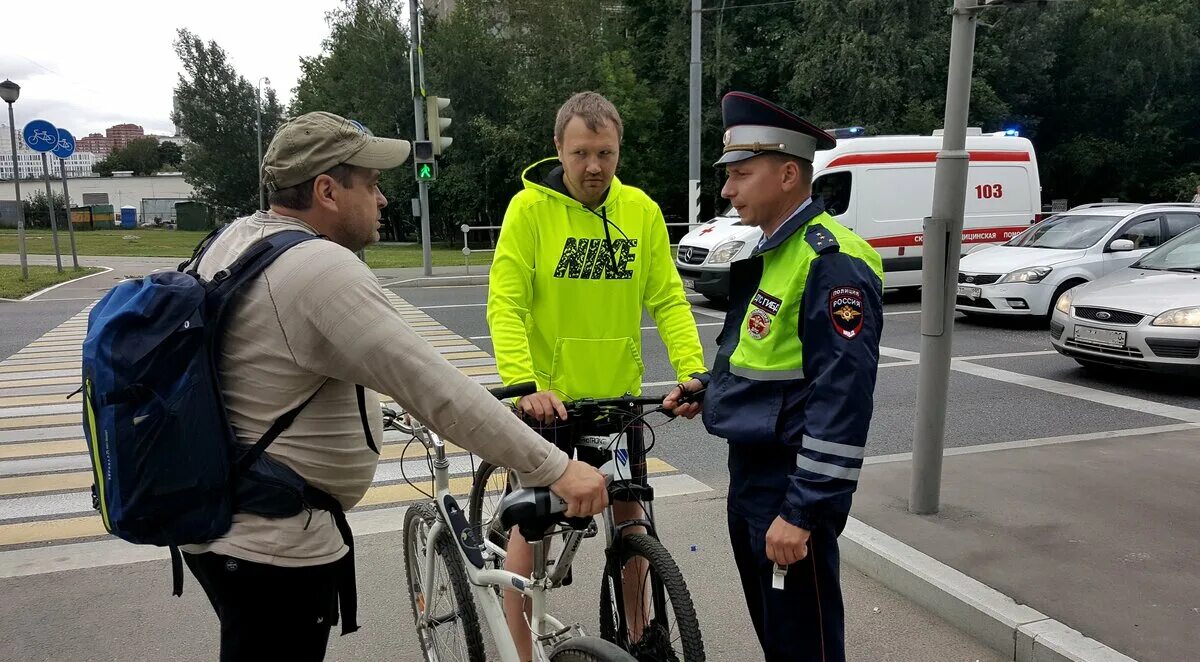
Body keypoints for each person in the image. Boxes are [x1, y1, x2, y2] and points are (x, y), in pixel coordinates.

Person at [180, 111, 609, 662]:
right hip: (269, 546)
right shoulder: (316, 269)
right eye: (373, 184)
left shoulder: (241, 236)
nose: (382, 200)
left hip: (226, 523)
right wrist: (555, 467)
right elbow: (436, 389)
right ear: (327, 190)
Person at [487, 91, 707, 660]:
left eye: (605, 153)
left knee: (631, 511)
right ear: (558, 148)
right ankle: (522, 653)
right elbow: (505, 304)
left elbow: (668, 299)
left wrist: (693, 372)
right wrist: (525, 385)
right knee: (532, 531)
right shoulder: (529, 211)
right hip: (549, 405)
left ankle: (637, 635)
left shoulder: (640, 211)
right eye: (581, 152)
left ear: (618, 150)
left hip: (617, 402)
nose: (593, 167)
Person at [668, 92, 884, 662]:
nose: (727, 189)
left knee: (801, 645)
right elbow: (769, 360)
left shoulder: (830, 262)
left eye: (741, 174)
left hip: (789, 485)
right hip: (754, 476)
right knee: (777, 635)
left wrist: (803, 511)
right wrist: (711, 390)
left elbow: (843, 400)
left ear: (789, 174)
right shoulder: (775, 251)